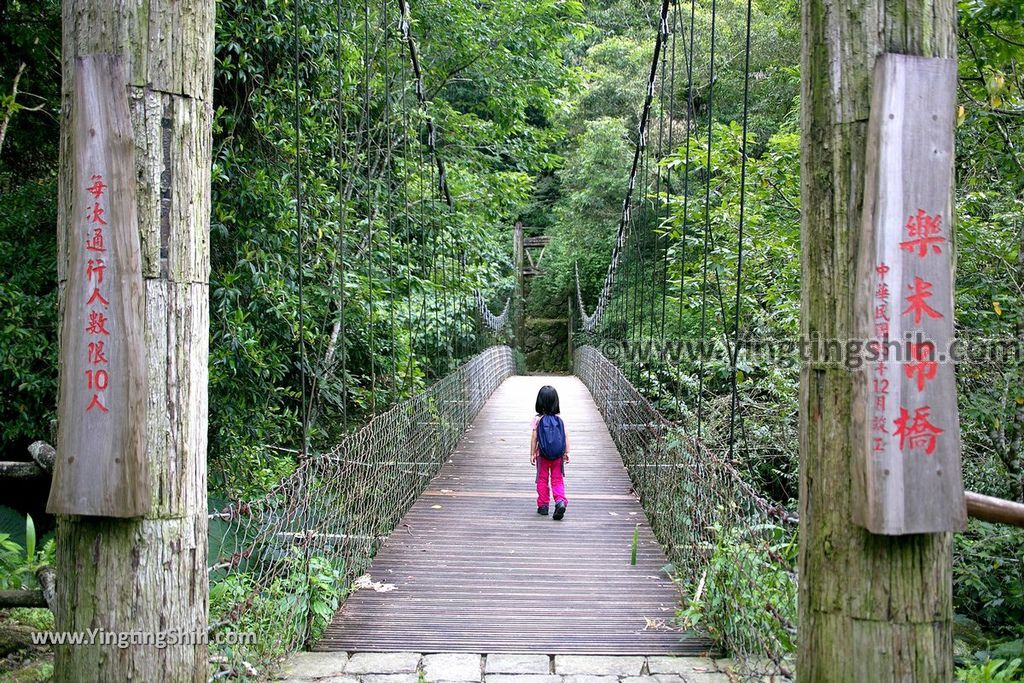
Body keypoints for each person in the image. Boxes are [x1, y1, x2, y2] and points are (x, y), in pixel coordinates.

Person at [530, 385, 569, 520]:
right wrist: (566, 452)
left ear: (539, 402)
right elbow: (565, 435)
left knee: (542, 479)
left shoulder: (538, 420)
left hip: (542, 454)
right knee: (557, 480)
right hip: (558, 456)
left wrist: (532, 453)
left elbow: (534, 437)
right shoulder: (560, 420)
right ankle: (560, 502)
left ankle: (543, 506)